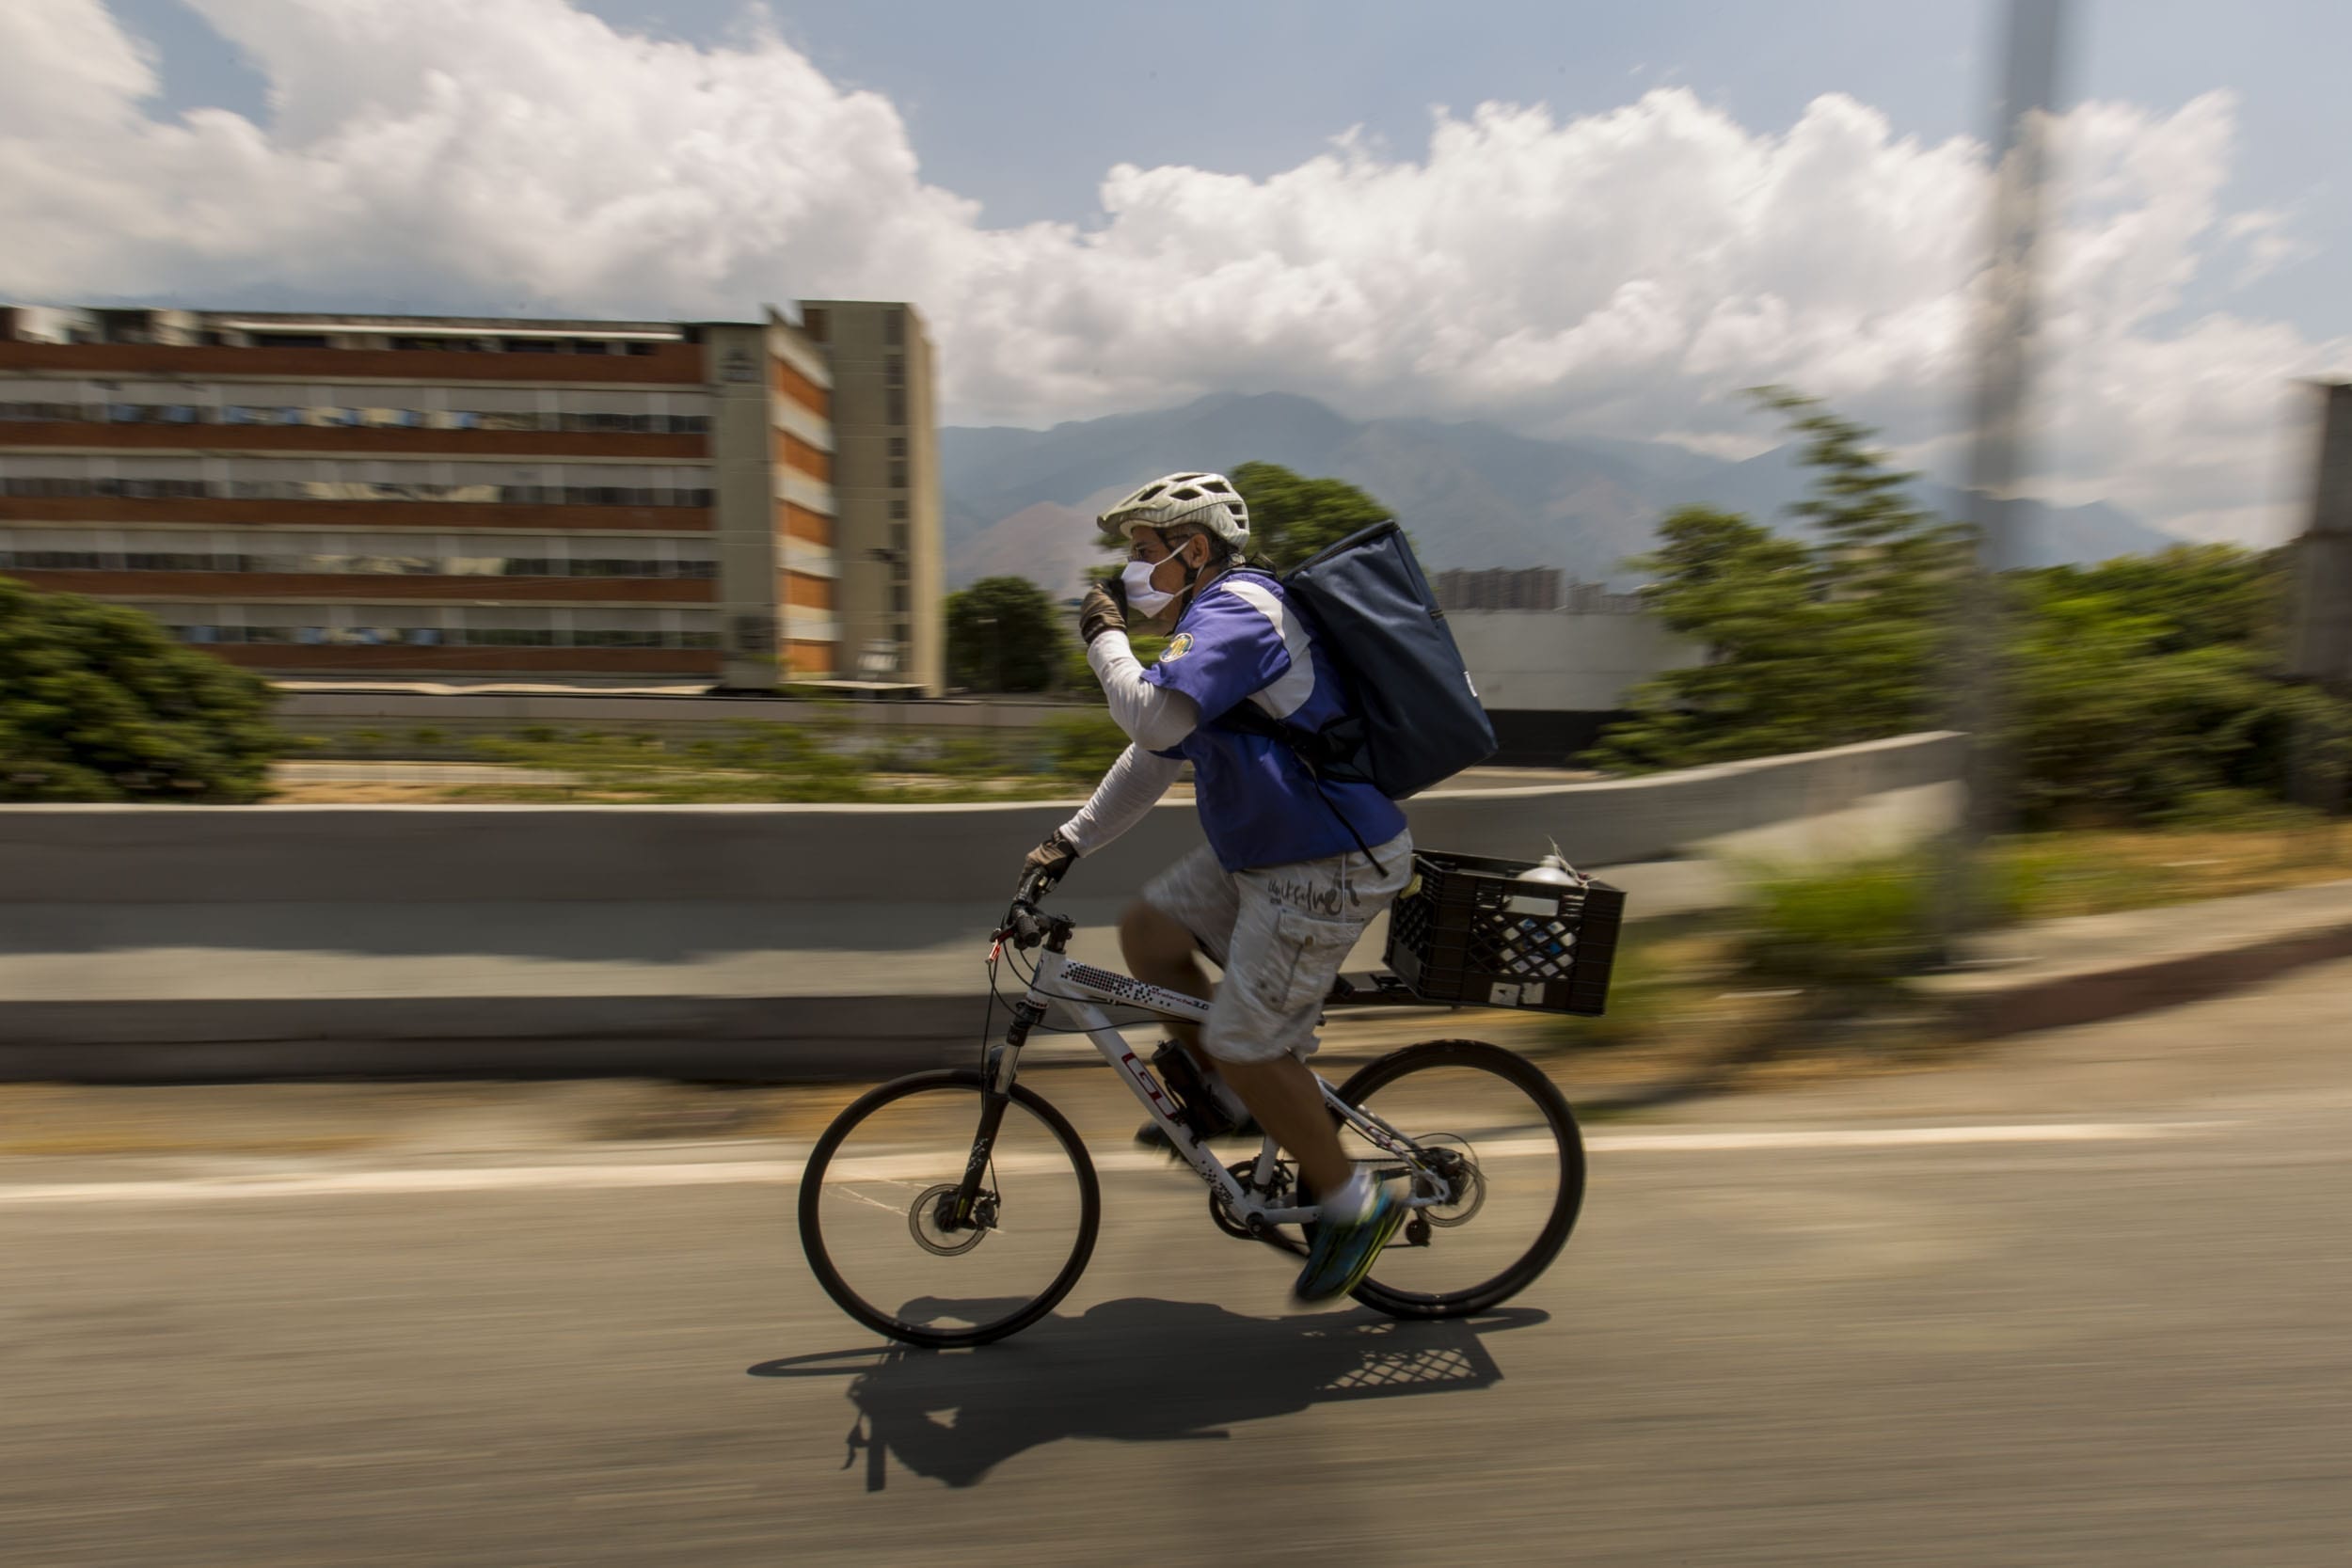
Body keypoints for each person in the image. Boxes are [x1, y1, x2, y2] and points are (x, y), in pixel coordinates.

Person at [1018, 471, 1415, 1303]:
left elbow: (1152, 719)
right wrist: (1069, 840)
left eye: (1142, 551)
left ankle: (1354, 1201)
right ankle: (1232, 1092)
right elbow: (1154, 757)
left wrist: (1103, 639)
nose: (1130, 570)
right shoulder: (1211, 627)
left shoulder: (1240, 608)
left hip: (1327, 864)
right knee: (1149, 932)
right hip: (1268, 856)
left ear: (1194, 551)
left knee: (1248, 1037)